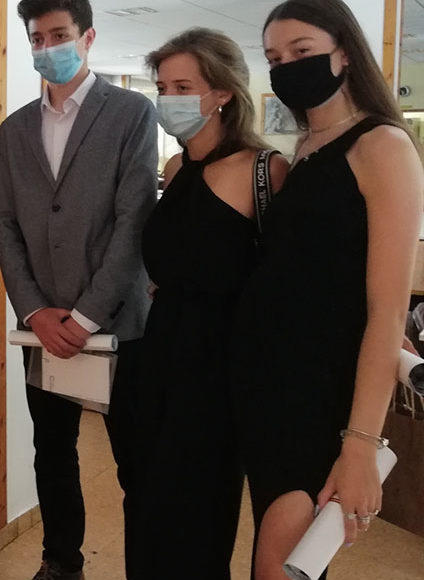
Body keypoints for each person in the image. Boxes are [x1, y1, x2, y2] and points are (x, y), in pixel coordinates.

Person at [229, 1, 424, 578]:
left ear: (344, 53)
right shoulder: (308, 147)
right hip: (269, 386)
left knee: (283, 564)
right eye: (273, 58)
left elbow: (386, 310)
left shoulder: (382, 145)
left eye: (302, 51)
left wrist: (360, 443)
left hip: (316, 398)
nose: (286, 67)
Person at [0, 1, 158, 578]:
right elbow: (6, 226)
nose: (47, 48)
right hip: (42, 328)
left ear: (87, 37)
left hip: (118, 326)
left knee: (135, 462)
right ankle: (61, 561)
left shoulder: (132, 113)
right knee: (53, 452)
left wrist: (85, 318)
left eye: (59, 34)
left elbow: (134, 222)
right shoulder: (15, 130)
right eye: (37, 38)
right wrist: (34, 311)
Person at [115, 28, 289, 580]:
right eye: (162, 87)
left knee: (196, 515)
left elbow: (282, 282)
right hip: (157, 354)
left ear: (222, 92)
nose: (168, 99)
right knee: (144, 501)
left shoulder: (265, 170)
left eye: (183, 87)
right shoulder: (174, 170)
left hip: (218, 371)